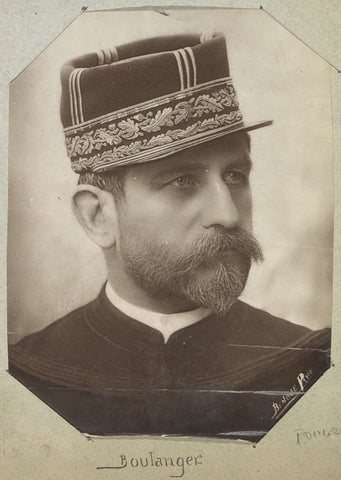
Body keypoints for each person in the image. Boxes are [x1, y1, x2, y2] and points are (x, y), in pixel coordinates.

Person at [8, 33, 331, 442]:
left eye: (235, 176)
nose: (228, 215)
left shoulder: (310, 365)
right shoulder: (24, 379)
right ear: (97, 216)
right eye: (182, 181)